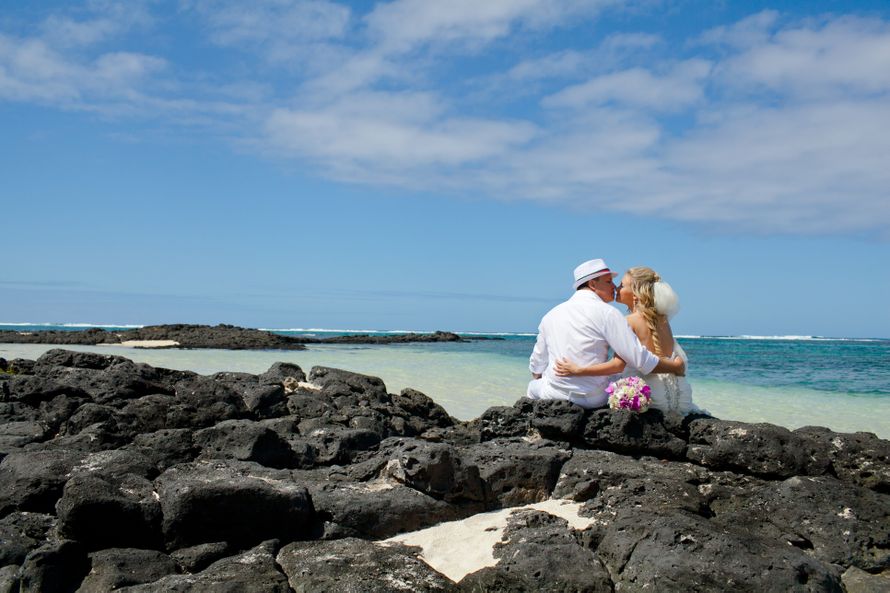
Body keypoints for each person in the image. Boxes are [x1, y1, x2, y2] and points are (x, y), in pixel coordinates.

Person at [527, 259, 685, 409]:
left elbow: (537, 363)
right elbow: (638, 358)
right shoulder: (609, 313)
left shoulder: (550, 315)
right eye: (609, 282)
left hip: (554, 394)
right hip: (595, 399)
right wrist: (676, 367)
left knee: (532, 387)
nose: (614, 287)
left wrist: (544, 377)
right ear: (593, 284)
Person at [554, 266, 703, 415]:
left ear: (636, 294)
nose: (616, 288)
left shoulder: (629, 321)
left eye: (622, 285)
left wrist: (577, 370)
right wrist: (676, 367)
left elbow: (617, 365)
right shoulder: (663, 320)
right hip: (679, 398)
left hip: (648, 399)